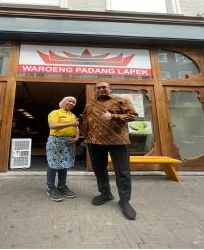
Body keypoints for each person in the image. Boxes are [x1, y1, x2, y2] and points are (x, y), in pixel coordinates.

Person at [81, 82, 138, 219]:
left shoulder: (121, 101)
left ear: (110, 89)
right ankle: (105, 193)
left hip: (118, 142)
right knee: (99, 170)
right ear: (95, 90)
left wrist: (114, 116)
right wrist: (86, 137)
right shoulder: (89, 104)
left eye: (104, 87)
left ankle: (124, 201)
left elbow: (133, 116)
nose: (101, 89)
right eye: (98, 88)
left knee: (122, 172)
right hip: (94, 142)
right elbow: (85, 121)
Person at [45, 96, 80, 201]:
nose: (72, 103)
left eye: (74, 102)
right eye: (70, 101)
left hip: (69, 141)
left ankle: (62, 186)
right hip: (56, 140)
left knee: (65, 164)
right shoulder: (55, 113)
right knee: (53, 164)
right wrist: (71, 123)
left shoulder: (72, 115)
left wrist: (77, 137)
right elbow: (52, 125)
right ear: (63, 102)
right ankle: (50, 187)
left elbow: (76, 127)